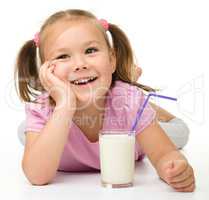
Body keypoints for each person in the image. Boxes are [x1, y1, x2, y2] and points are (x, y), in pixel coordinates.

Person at [15, 9, 195, 191]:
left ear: (111, 60)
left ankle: (147, 104)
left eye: (90, 50)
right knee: (24, 130)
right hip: (57, 119)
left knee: (180, 132)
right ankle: (127, 86)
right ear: (46, 70)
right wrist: (64, 105)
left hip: (131, 127)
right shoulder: (40, 108)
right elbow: (37, 176)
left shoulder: (129, 104)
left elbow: (163, 153)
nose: (80, 64)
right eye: (63, 56)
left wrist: (173, 167)